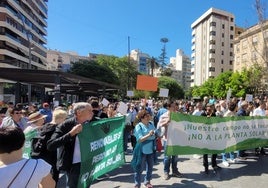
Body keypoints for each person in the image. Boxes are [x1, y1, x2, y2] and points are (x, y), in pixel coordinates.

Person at [47, 102, 94, 188]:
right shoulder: (66, 125)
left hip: (87, 162)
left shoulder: (91, 123)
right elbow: (51, 145)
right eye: (90, 110)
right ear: (79, 112)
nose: (92, 113)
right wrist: (71, 134)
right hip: (73, 164)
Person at [31, 109, 68, 185]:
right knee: (52, 181)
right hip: (51, 158)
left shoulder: (45, 126)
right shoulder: (57, 129)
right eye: (65, 119)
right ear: (61, 119)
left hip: (40, 157)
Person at [157, 101, 183, 180]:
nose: (175, 108)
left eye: (175, 106)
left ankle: (175, 171)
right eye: (173, 106)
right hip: (167, 139)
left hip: (176, 139)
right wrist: (166, 122)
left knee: (175, 157)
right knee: (167, 157)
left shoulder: (179, 115)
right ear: (168, 107)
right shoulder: (163, 116)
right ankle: (166, 172)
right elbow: (159, 127)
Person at [133, 110, 156, 188]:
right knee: (139, 168)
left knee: (150, 167)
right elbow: (139, 139)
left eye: (149, 115)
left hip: (151, 149)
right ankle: (137, 184)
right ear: (142, 118)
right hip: (141, 150)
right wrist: (149, 135)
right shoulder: (138, 126)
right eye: (147, 116)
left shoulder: (151, 124)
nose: (149, 117)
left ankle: (147, 182)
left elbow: (154, 135)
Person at [201, 103, 221, 174]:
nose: (209, 109)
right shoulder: (203, 114)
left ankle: (214, 164)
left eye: (211, 108)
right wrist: (207, 119)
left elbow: (215, 124)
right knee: (205, 152)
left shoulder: (214, 114)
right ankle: (206, 167)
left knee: (215, 150)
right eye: (208, 108)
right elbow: (200, 124)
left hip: (212, 135)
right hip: (205, 136)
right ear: (206, 108)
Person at [221, 101, 237, 167]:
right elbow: (225, 124)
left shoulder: (234, 113)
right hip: (226, 132)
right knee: (225, 146)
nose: (237, 107)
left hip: (232, 132)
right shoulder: (227, 114)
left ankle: (232, 158)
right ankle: (224, 160)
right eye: (236, 106)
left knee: (232, 145)